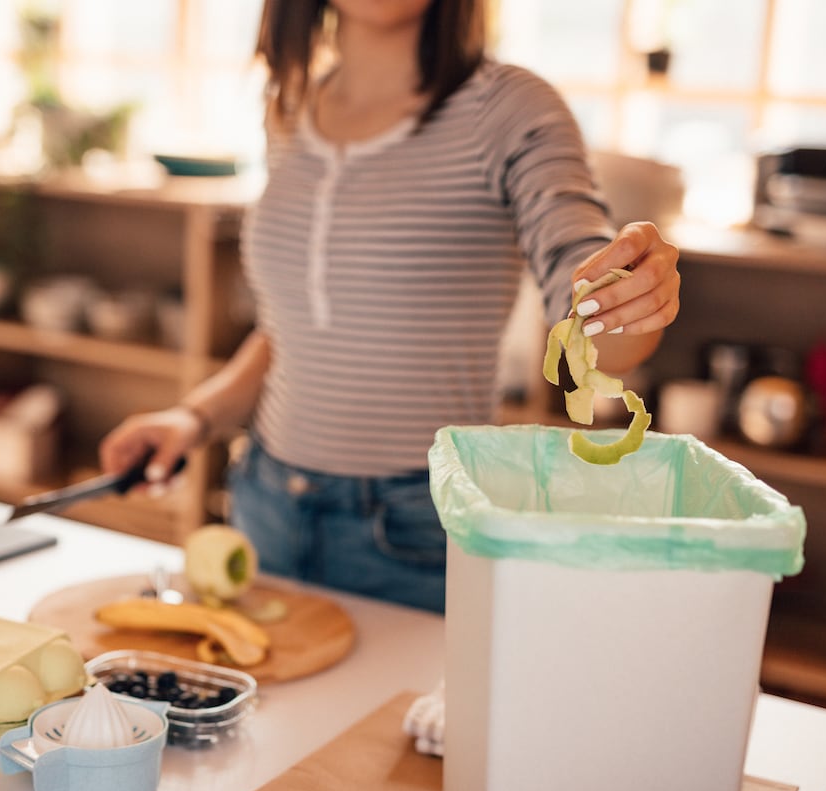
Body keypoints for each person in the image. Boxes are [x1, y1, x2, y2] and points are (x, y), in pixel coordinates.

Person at [99, 0, 681, 615]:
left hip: (414, 528)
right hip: (264, 501)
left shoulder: (510, 108)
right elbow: (295, 333)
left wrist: (624, 294)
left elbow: (583, 275)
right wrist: (194, 419)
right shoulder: (290, 107)